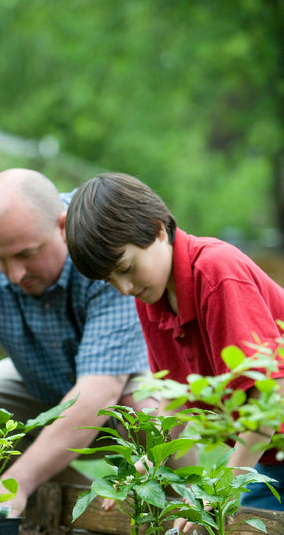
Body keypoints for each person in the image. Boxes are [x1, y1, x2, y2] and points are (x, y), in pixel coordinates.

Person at [0, 168, 154, 519]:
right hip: (38, 386)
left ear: (62, 227)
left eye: (26, 254)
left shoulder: (101, 244)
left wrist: (17, 482)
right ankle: (68, 502)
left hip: (121, 385)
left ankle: (174, 512)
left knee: (151, 416)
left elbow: (99, 391)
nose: (14, 274)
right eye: (0, 259)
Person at [64, 171, 284, 512]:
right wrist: (148, 464)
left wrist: (219, 487)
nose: (123, 288)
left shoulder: (216, 273)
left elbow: (271, 394)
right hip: (271, 457)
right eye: (109, 281)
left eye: (125, 268)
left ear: (157, 229)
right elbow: (175, 401)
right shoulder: (151, 299)